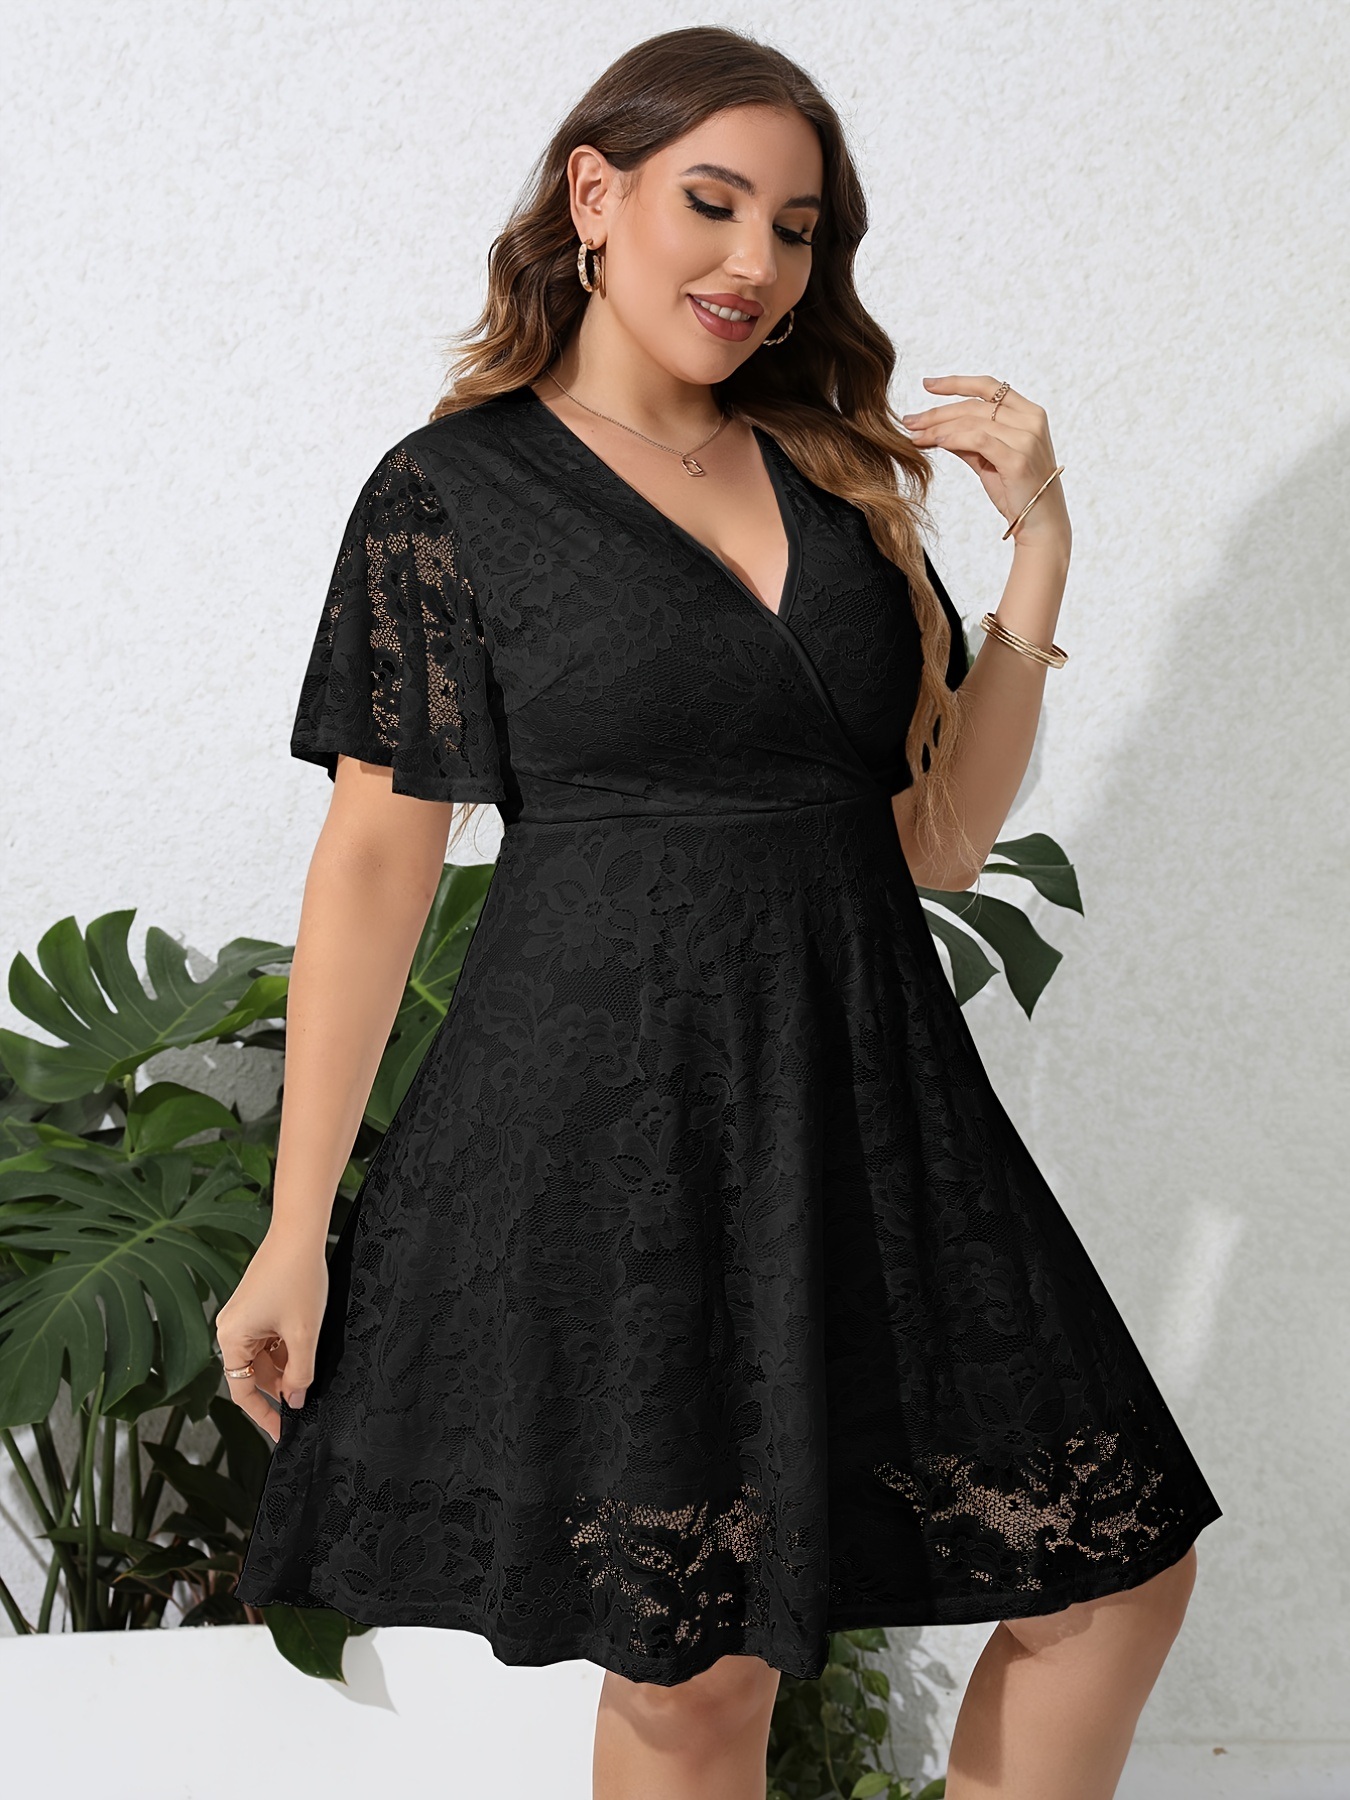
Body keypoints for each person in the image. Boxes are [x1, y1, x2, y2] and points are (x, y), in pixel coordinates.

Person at [217, 26, 1222, 1800]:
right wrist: (298, 1226)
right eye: (712, 202)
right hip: (609, 1116)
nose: (755, 260)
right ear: (593, 197)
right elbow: (375, 861)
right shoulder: (451, 494)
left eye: (797, 227)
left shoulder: (834, 480)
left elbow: (936, 841)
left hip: (867, 1105)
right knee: (696, 1675)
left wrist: (1039, 552)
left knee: (1114, 1577)